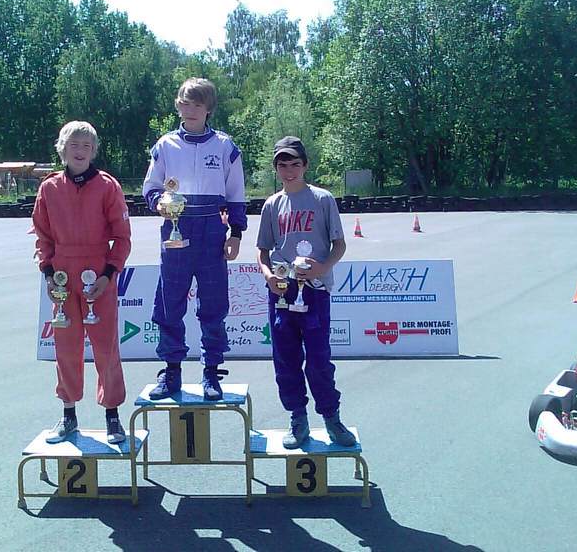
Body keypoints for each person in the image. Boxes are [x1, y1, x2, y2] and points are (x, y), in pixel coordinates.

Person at [142, 77, 247, 400]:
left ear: (208, 109)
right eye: (185, 103)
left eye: (197, 105)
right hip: (176, 228)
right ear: (177, 104)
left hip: (212, 231)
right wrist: (159, 201)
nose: (190, 110)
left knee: (213, 302)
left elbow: (236, 193)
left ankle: (211, 371)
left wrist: (236, 233)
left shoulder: (226, 147)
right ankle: (171, 370)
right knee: (169, 300)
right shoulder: (165, 145)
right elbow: (150, 186)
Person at [32, 120, 132, 444]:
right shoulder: (48, 188)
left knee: (105, 347)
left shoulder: (107, 186)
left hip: (97, 275)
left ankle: (112, 416)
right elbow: (42, 235)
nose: (80, 151)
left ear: (94, 151)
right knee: (66, 348)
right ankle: (68, 414)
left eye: (87, 146)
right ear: (62, 148)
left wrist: (108, 274)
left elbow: (122, 237)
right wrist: (48, 272)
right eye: (74, 144)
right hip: (62, 276)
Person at [256, 136, 357, 449]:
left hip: (313, 292)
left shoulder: (323, 199)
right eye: (283, 165)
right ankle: (297, 417)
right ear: (276, 168)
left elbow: (340, 245)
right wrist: (270, 276)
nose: (289, 170)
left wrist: (321, 268)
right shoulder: (272, 204)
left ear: (305, 165)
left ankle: (331, 416)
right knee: (285, 359)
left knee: (318, 360)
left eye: (295, 164)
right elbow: (262, 251)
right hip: (283, 292)